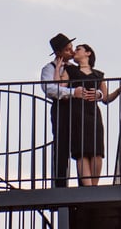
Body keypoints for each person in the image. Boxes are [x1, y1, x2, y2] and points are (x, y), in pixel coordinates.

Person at [59, 43, 121, 186]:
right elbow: (60, 88)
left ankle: (94, 187)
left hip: (93, 114)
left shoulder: (98, 75)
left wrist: (120, 89)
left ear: (88, 53)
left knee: (97, 151)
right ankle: (88, 188)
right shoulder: (69, 70)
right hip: (76, 113)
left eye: (78, 49)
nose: (74, 51)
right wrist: (59, 67)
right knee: (81, 152)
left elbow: (106, 98)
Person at [40, 33, 94, 187]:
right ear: (59, 53)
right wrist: (72, 93)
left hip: (78, 111)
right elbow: (49, 89)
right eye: (67, 50)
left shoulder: (75, 68)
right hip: (61, 110)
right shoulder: (48, 69)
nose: (71, 52)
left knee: (80, 146)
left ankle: (83, 185)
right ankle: (60, 185)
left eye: (72, 48)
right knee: (62, 146)